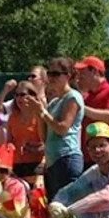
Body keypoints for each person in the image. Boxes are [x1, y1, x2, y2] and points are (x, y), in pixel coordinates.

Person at [40, 56, 85, 194]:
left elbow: (62, 128)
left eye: (56, 74)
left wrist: (42, 112)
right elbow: (44, 136)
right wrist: (38, 113)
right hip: (53, 161)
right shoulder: (54, 102)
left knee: (67, 209)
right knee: (55, 209)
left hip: (67, 158)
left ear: (68, 76)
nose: (51, 77)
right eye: (49, 73)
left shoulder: (73, 96)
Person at [74, 56, 109, 148]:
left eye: (82, 72)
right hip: (88, 155)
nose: (79, 77)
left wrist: (82, 107)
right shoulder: (86, 97)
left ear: (94, 71)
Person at [0, 80, 46, 180]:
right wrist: (10, 146)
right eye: (17, 95)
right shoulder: (13, 117)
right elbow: (9, 141)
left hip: (36, 164)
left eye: (23, 94)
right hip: (16, 164)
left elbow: (44, 140)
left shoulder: (39, 116)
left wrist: (31, 148)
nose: (19, 98)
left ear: (33, 96)